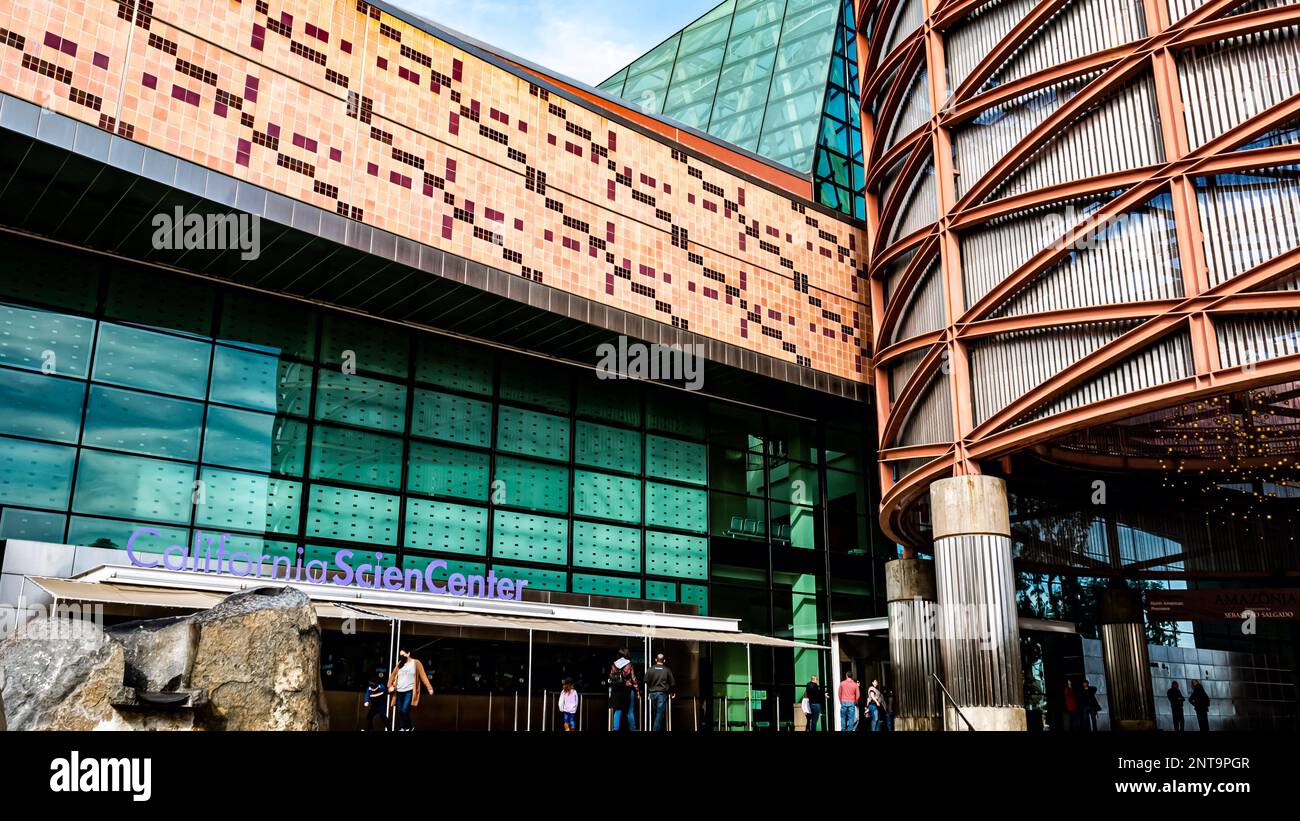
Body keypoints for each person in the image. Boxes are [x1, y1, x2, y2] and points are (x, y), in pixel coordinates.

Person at [388, 648, 433, 731]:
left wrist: (429, 687)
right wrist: (390, 685)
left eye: (403, 654)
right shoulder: (400, 664)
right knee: (400, 711)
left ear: (408, 654)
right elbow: (393, 675)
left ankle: (408, 727)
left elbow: (423, 676)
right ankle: (404, 727)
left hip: (409, 691)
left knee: (404, 710)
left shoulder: (416, 663)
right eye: (400, 655)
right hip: (398, 691)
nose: (401, 656)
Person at [608, 648, 640, 732]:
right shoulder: (629, 664)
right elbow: (633, 679)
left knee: (617, 710)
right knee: (630, 711)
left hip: (617, 690)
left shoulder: (614, 664)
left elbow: (611, 677)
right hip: (627, 690)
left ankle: (615, 729)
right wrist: (637, 691)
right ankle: (632, 729)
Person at [644, 653, 675, 732]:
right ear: (664, 660)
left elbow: (645, 680)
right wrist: (672, 692)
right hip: (662, 694)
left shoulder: (650, 669)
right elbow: (672, 683)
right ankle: (655, 729)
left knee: (655, 713)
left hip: (652, 694)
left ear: (655, 660)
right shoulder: (667, 670)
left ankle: (656, 728)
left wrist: (650, 687)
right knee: (659, 713)